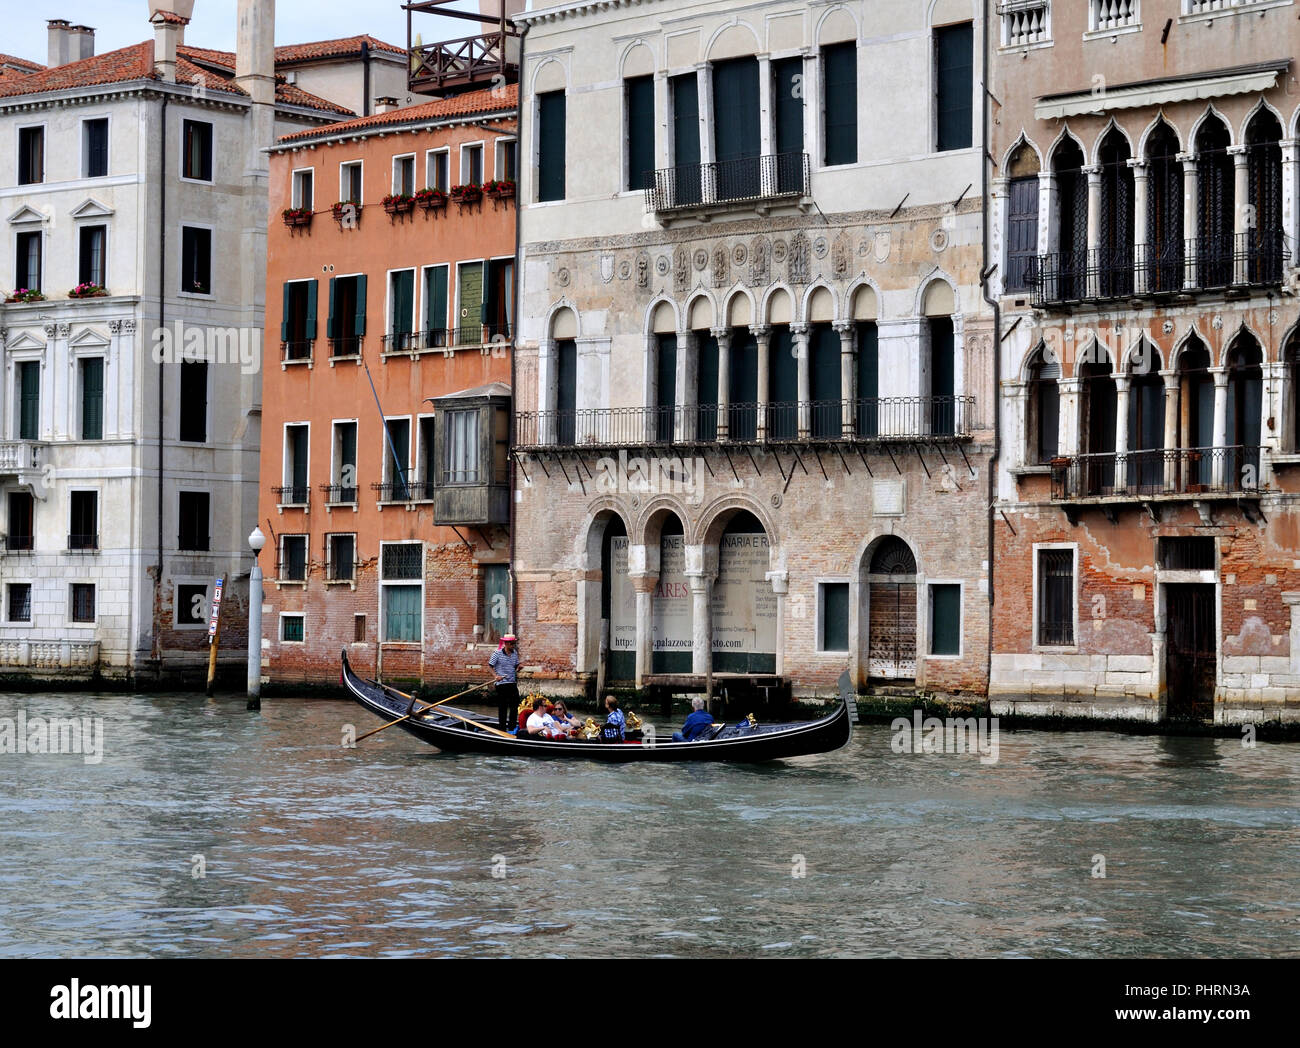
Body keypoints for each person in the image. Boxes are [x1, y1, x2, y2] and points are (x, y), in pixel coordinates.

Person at [489, 634, 520, 730]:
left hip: (512, 683)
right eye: (511, 644)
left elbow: (515, 667)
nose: (513, 645)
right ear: (506, 643)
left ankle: (512, 727)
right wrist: (495, 676)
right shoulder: (497, 654)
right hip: (501, 684)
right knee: (503, 707)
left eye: (514, 643)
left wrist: (518, 668)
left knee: (515, 706)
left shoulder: (514, 653)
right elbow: (490, 666)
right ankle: (502, 728)